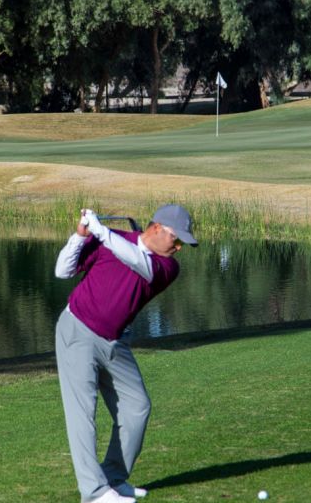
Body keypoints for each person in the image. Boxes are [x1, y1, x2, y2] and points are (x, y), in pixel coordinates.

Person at [54, 205, 197, 503]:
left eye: (183, 241)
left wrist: (101, 232)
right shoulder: (110, 241)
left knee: (137, 407)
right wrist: (80, 237)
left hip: (114, 342)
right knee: (83, 413)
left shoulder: (167, 268)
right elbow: (62, 271)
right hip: (77, 331)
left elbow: (135, 260)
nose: (180, 246)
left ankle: (114, 479)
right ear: (156, 228)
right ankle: (94, 493)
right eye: (176, 238)